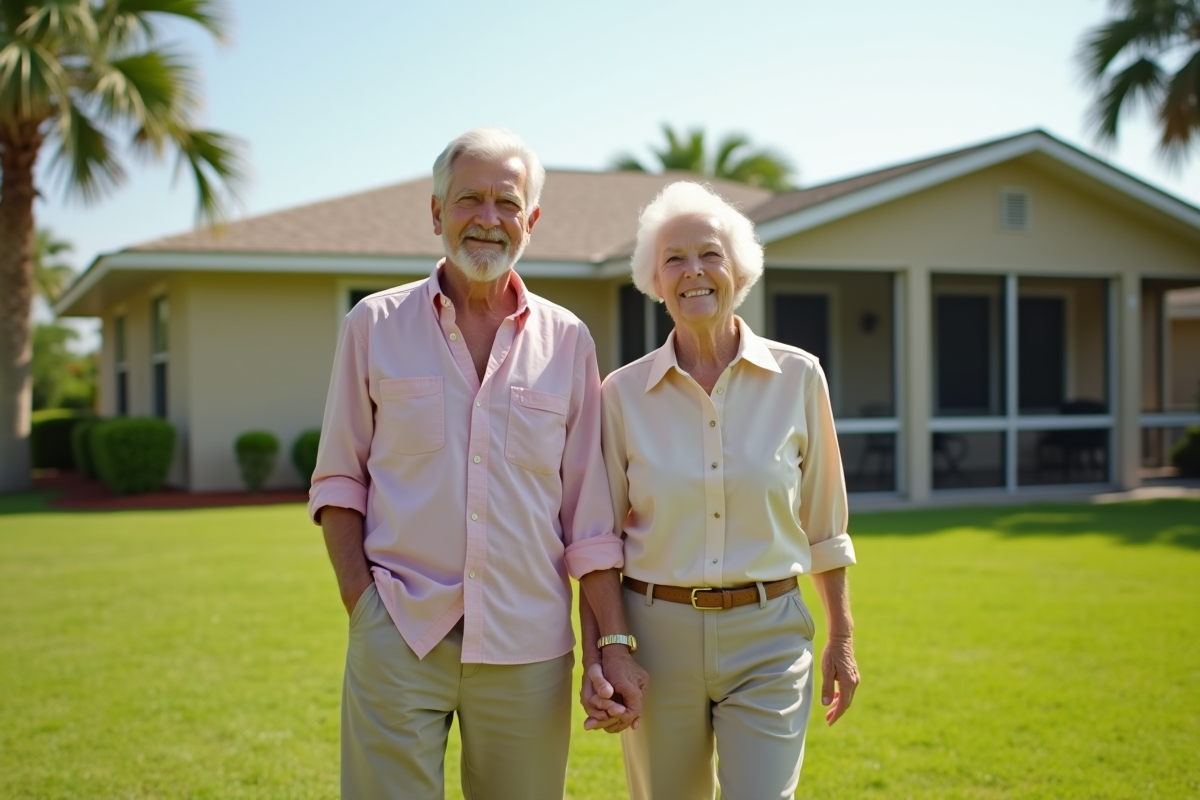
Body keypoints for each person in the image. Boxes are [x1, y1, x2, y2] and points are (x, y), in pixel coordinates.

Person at [309, 127, 647, 800]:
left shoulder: (569, 341)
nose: (488, 219)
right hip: (401, 631)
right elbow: (339, 480)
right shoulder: (372, 326)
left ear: (532, 221)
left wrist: (613, 641)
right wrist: (364, 605)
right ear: (437, 212)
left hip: (530, 646)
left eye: (506, 202)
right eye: (469, 200)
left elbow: (590, 517)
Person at [581, 181, 860, 799]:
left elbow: (825, 525)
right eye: (674, 258)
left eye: (710, 253)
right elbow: (597, 539)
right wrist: (605, 650)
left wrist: (841, 636)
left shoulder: (799, 377)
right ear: (654, 280)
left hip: (770, 636)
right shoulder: (620, 396)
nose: (694, 272)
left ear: (740, 268)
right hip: (657, 640)